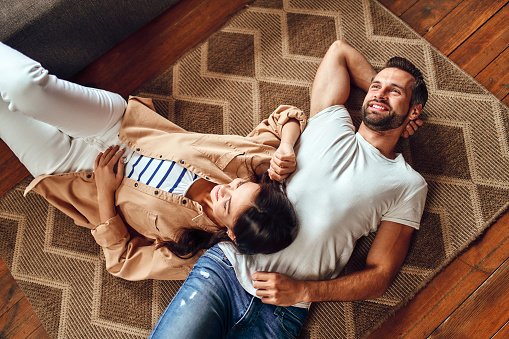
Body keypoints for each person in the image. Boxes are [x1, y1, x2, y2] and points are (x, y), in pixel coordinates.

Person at [149, 39, 428, 338]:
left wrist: (303, 290)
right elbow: (338, 51)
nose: (380, 93)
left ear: (415, 111)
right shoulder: (331, 118)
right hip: (227, 271)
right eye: (375, 85)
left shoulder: (408, 184)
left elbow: (381, 276)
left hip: (284, 311)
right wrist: (386, 96)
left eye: (394, 91)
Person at [0, 41, 307, 281]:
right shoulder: (250, 165)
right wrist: (288, 148)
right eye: (238, 186)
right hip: (117, 126)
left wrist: (105, 195)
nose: (222, 190)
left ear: (231, 234)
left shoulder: (191, 254)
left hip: (73, 172)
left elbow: (123, 262)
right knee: (24, 88)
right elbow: (284, 118)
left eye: (227, 204)